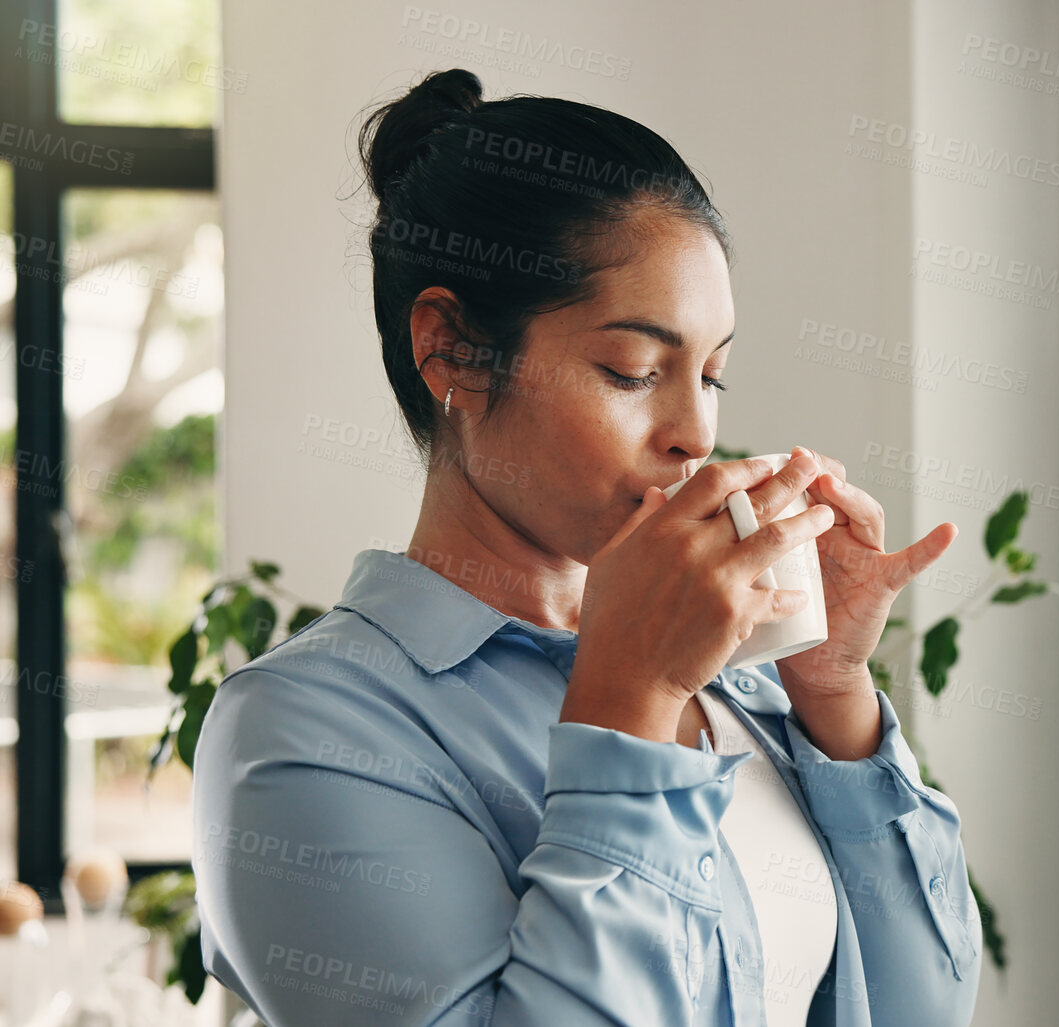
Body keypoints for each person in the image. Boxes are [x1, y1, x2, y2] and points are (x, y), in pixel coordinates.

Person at [190, 68, 980, 1026]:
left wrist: (833, 693)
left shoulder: (739, 683)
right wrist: (630, 701)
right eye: (634, 370)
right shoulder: (303, 731)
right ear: (449, 349)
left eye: (712, 375)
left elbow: (921, 1007)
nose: (696, 432)